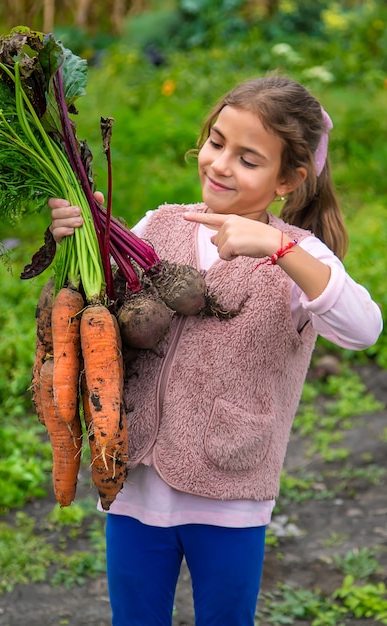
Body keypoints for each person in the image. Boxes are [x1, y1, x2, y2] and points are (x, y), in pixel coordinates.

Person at [49, 75, 383, 626]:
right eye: (217, 142)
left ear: (287, 181)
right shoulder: (160, 224)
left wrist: (279, 248)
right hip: (134, 483)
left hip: (230, 492)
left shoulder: (303, 255)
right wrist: (83, 236)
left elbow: (364, 328)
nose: (222, 164)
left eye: (249, 160)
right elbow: (102, 309)